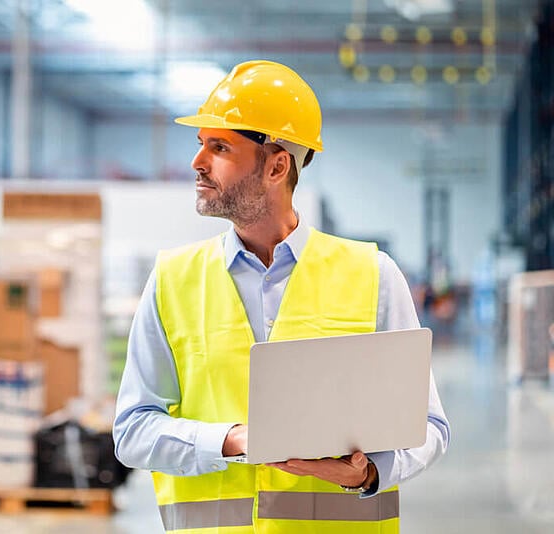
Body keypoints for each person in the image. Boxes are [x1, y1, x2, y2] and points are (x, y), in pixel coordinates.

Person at [113, 60, 450, 533]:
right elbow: (132, 430)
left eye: (220, 146)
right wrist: (230, 440)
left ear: (276, 165)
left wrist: (369, 471)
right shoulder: (173, 279)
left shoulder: (373, 275)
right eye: (200, 144)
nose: (197, 162)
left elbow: (429, 427)